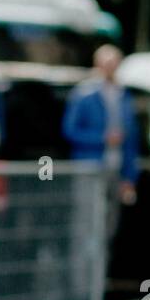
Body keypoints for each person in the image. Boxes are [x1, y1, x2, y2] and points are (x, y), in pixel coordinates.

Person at [61, 43, 140, 243]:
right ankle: (84, 271)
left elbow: (131, 139)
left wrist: (129, 177)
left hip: (115, 167)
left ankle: (100, 272)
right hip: (91, 168)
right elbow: (70, 131)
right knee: (87, 222)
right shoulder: (84, 94)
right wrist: (102, 138)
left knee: (109, 226)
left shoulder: (123, 95)